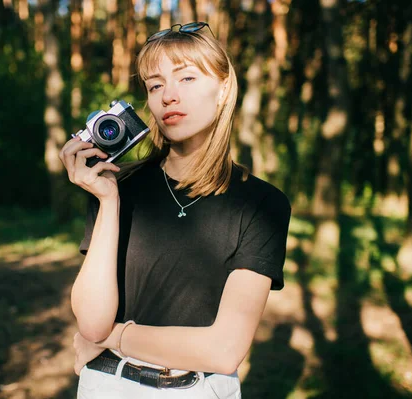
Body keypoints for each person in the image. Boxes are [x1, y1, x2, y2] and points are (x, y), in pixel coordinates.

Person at [58, 22, 291, 399]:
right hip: (105, 386)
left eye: (186, 78)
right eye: (155, 85)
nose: (168, 96)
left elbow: (224, 350)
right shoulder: (118, 187)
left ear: (224, 88)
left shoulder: (261, 204)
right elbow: (90, 320)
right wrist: (108, 201)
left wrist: (113, 336)